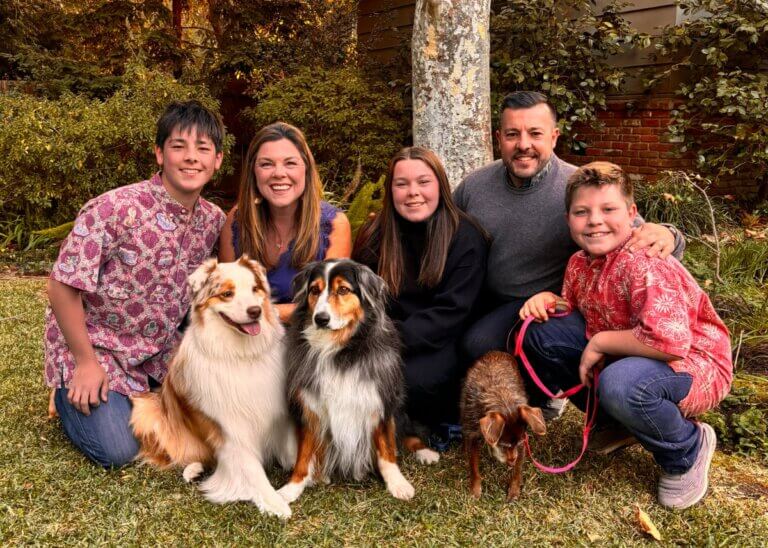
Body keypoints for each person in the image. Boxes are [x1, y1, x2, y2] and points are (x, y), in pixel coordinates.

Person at [453, 91, 684, 418]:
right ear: (498, 138)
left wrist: (670, 235)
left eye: (535, 133)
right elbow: (443, 233)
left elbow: (633, 232)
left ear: (554, 137)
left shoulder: (575, 186)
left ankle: (548, 394)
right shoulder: (475, 186)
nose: (523, 144)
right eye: (512, 134)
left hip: (547, 306)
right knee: (451, 335)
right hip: (485, 295)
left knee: (478, 343)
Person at [520, 161, 732, 509]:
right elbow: (576, 310)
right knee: (542, 333)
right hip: (634, 357)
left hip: (692, 364)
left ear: (632, 213)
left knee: (621, 383)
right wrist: (549, 301)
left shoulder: (643, 261)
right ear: (568, 218)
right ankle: (615, 425)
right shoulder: (578, 263)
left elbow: (669, 343)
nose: (595, 221)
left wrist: (601, 342)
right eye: (581, 212)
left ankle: (686, 449)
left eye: (608, 209)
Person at [45, 100, 228, 467]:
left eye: (203, 148)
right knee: (117, 450)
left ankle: (137, 395)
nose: (191, 158)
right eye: (179, 146)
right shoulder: (114, 208)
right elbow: (61, 286)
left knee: (221, 416)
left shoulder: (213, 221)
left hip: (160, 355)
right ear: (160, 153)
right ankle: (67, 387)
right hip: (99, 349)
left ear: (217, 160)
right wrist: (84, 362)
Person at [353, 146, 488, 439]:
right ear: (391, 191)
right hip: (382, 339)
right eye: (402, 184)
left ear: (440, 184)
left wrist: (387, 341)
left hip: (441, 341)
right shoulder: (376, 234)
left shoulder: (465, 237)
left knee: (410, 382)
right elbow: (361, 300)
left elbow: (452, 313)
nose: (413, 192)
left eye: (423, 182)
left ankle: (432, 422)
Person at [218, 122, 351, 322]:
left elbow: (330, 304)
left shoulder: (334, 225)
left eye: (290, 163)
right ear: (254, 172)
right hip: (245, 342)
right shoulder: (238, 220)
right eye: (266, 164)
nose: (279, 173)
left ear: (306, 168)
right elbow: (224, 297)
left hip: (307, 346)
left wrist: (258, 312)